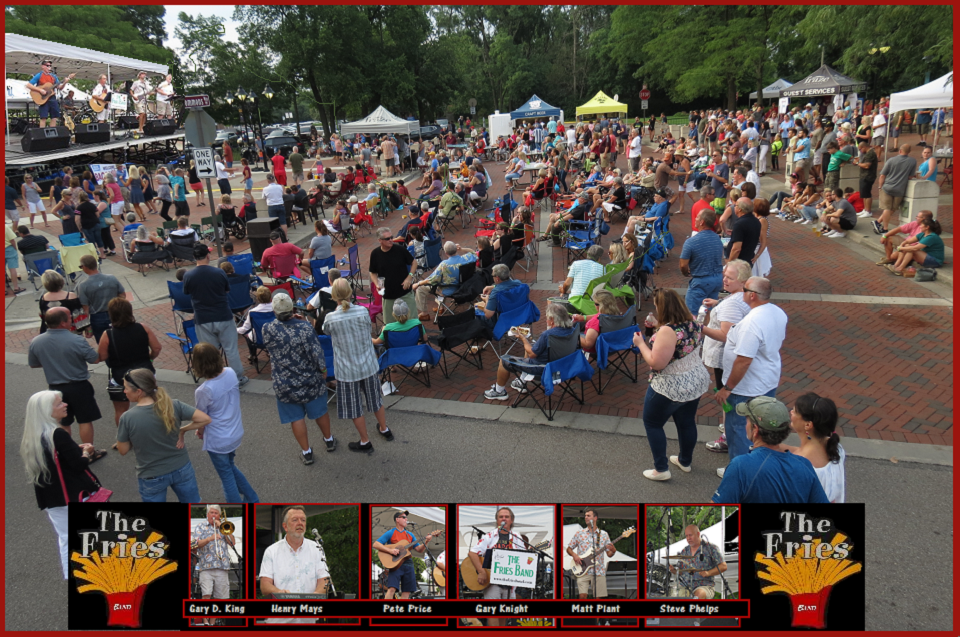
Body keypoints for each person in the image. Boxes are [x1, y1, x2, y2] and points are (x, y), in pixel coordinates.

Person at [20, 390, 104, 580]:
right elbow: (79, 464)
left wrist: (75, 450)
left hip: (51, 498)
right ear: (47, 412)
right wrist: (86, 452)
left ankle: (72, 576)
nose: (65, 405)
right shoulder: (58, 434)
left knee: (65, 538)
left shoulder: (32, 436)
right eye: (59, 404)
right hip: (75, 493)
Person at [714, 277, 788, 477]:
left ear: (752, 295)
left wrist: (727, 388)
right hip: (767, 380)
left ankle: (740, 473)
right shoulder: (777, 312)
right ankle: (759, 468)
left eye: (744, 289)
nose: (742, 292)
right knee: (762, 431)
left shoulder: (751, 323)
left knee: (739, 432)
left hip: (746, 388)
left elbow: (743, 360)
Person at [635, 289, 710, 481]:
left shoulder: (668, 331)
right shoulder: (693, 321)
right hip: (694, 379)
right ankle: (685, 461)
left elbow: (656, 362)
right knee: (686, 422)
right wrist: (653, 331)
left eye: (657, 306)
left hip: (671, 384)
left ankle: (661, 469)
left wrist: (641, 343)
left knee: (652, 423)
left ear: (663, 307)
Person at [261, 293, 338, 464]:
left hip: (285, 382)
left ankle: (307, 451)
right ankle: (329, 440)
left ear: (274, 310)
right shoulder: (304, 328)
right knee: (320, 411)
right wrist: (323, 370)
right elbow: (316, 353)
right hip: (309, 379)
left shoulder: (267, 329)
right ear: (292, 309)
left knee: (296, 418)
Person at [322, 279, 395, 452]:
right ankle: (384, 428)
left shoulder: (331, 318)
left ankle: (365, 440)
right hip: (368, 364)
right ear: (350, 292)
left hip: (347, 370)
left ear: (334, 296)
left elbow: (326, 331)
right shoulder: (363, 311)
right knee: (375, 400)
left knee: (355, 407)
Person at [713, 396, 830, 504]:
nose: (745, 424)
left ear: (755, 429)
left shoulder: (740, 466)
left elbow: (715, 515)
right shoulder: (804, 465)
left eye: (747, 420)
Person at [116, 368, 209, 502]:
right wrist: (182, 430)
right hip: (181, 468)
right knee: (194, 509)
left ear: (139, 391)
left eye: (126, 388)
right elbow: (205, 419)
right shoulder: (173, 405)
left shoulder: (127, 418)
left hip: (151, 475)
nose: (124, 391)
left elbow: (123, 450)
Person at [191, 343, 259, 502]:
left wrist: (200, 432)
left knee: (226, 477)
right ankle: (252, 499)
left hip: (218, 439)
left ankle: (237, 508)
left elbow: (201, 417)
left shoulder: (203, 390)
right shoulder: (229, 373)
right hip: (235, 433)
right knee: (230, 468)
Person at [700, 260, 752, 454]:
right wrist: (718, 303)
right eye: (725, 276)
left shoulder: (731, 305)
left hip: (723, 357)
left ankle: (727, 437)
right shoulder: (742, 298)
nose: (725, 280)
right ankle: (728, 427)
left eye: (730, 278)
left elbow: (725, 335)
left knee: (726, 396)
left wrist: (700, 328)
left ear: (743, 281)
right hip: (729, 357)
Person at [182, 245, 251, 386]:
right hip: (223, 315)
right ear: (208, 256)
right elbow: (226, 291)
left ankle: (215, 378)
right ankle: (237, 378)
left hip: (203, 318)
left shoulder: (188, 275)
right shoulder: (219, 273)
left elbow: (187, 293)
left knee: (210, 352)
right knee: (231, 349)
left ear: (194, 257)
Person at [97, 296, 162, 445]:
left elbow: (102, 356)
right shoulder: (143, 328)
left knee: (121, 410)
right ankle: (156, 433)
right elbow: (157, 348)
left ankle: (124, 439)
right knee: (152, 404)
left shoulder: (108, 334)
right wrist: (150, 358)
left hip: (121, 375)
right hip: (145, 372)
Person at [483, 302, 578, 400]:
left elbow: (532, 354)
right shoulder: (572, 330)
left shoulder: (547, 335)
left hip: (542, 369)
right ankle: (521, 382)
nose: (546, 321)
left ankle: (499, 391)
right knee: (531, 346)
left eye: (547, 318)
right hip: (563, 367)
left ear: (552, 320)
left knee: (504, 360)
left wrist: (523, 339)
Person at [259, 506, 330, 623]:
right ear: (285, 526)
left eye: (303, 520)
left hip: (309, 620)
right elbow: (264, 585)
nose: (300, 523)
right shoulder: (272, 551)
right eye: (295, 520)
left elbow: (325, 580)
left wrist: (315, 595)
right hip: (280, 620)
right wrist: (279, 592)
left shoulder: (316, 548)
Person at [781, 393, 845, 503]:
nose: (791, 412)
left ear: (808, 425)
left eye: (795, 411)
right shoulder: (837, 448)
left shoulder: (798, 465)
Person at [468, 507, 528, 625]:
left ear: (511, 520)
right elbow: (472, 552)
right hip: (492, 581)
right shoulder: (490, 536)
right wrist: (481, 571)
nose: (504, 519)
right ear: (497, 520)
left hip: (510, 581)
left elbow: (523, 557)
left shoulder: (516, 537)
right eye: (501, 517)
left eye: (506, 517)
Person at [372, 511, 440, 600]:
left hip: (408, 564)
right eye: (403, 517)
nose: (406, 519)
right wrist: (391, 551)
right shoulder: (391, 532)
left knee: (407, 591)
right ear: (397, 520)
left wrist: (427, 541)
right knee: (391, 589)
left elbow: (419, 550)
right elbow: (376, 544)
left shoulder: (410, 535)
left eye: (406, 517)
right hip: (395, 564)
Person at [190, 504, 237, 625]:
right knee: (206, 594)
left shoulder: (223, 527)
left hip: (222, 566)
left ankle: (212, 623)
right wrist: (209, 539)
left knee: (219, 598)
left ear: (219, 515)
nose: (214, 515)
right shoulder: (201, 526)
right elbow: (194, 545)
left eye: (216, 513)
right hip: (206, 566)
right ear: (207, 514)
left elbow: (232, 543)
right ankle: (205, 620)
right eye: (212, 513)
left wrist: (222, 527)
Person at [412, 241, 477, 321]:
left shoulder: (444, 264)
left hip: (449, 289)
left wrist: (418, 283)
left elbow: (432, 280)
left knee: (421, 288)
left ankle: (424, 314)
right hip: (463, 287)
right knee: (442, 281)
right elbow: (474, 252)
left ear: (446, 253)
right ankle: (441, 307)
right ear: (456, 250)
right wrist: (462, 249)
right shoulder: (466, 258)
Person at [369, 227, 418, 325]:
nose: (391, 240)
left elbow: (414, 263)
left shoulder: (400, 250)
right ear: (380, 240)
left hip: (405, 293)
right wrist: (377, 284)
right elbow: (372, 272)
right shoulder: (375, 254)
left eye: (391, 237)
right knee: (389, 324)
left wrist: (409, 277)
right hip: (388, 295)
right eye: (387, 239)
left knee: (412, 321)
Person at [680, 208, 724, 314]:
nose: (695, 219)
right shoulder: (717, 239)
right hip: (717, 279)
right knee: (710, 312)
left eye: (697, 217)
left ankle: (694, 330)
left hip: (701, 282)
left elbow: (683, 265)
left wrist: (686, 273)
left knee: (692, 314)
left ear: (702, 222)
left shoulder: (691, 242)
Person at [566, 508, 616, 599]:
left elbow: (609, 554)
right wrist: (574, 555)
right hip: (582, 570)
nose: (586, 517)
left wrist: (613, 550)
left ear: (595, 518)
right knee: (582, 596)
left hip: (599, 571)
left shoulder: (604, 534)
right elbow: (569, 549)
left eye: (588, 515)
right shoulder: (579, 533)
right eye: (585, 516)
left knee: (598, 598)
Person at [75, 254, 125, 343]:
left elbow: (85, 308)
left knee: (103, 345)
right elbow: (122, 295)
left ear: (85, 267)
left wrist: (88, 327)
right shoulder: (111, 278)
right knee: (120, 340)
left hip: (97, 317)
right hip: (115, 313)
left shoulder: (83, 286)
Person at [669, 524, 728, 599]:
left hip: (704, 585)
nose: (688, 538)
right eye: (686, 536)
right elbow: (681, 572)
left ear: (698, 534)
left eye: (690, 535)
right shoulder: (684, 551)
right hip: (685, 585)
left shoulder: (711, 548)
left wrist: (708, 573)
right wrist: (674, 571)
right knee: (673, 594)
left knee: (698, 595)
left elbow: (723, 566)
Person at [874, 144, 917, 235]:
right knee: (893, 208)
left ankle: (884, 228)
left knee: (887, 208)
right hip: (900, 188)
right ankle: (878, 222)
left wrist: (880, 186)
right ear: (909, 152)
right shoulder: (913, 161)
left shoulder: (891, 160)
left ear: (900, 151)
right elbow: (910, 176)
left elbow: (882, 175)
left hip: (887, 187)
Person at [25, 60, 73, 128]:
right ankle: (42, 135)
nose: (49, 67)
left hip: (52, 98)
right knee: (43, 117)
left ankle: (52, 133)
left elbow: (60, 87)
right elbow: (28, 85)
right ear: (43, 66)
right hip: (43, 99)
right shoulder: (39, 75)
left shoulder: (53, 76)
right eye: (47, 65)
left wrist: (65, 82)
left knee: (54, 117)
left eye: (50, 66)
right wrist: (40, 90)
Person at [725, 198, 761, 264]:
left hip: (738, 263)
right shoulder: (756, 221)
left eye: (735, 205)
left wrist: (729, 263)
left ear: (740, 209)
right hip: (748, 260)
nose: (734, 207)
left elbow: (736, 249)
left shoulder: (739, 224)